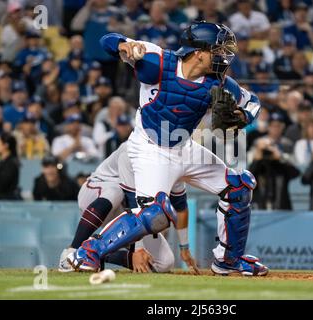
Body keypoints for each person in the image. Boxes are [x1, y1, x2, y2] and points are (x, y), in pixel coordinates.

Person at [68, 21, 268, 276]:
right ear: (200, 52)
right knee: (153, 215)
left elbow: (252, 102)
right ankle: (88, 252)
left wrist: (245, 116)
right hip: (150, 149)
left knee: (239, 186)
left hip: (184, 147)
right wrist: (124, 45)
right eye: (219, 50)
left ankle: (228, 260)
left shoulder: (220, 83)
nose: (224, 57)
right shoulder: (156, 61)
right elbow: (106, 40)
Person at [60, 142, 199, 274]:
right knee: (116, 192)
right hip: (97, 193)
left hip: (129, 213)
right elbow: (134, 203)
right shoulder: (132, 150)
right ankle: (72, 251)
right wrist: (137, 250)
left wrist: (184, 248)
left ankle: (94, 254)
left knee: (164, 263)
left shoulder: (174, 165)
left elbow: (180, 208)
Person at [249, 113, 300, 210]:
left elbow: (295, 172)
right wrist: (257, 158)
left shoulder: (287, 144)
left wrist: (280, 157)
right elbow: (250, 175)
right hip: (262, 191)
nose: (275, 129)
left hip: (280, 193)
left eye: (278, 126)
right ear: (268, 127)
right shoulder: (259, 142)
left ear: (283, 127)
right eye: (273, 126)